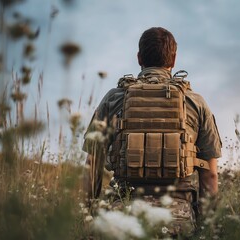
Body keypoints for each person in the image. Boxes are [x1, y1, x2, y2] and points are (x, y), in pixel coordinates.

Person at [82, 27, 222, 236]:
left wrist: (90, 216)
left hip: (123, 219)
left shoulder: (113, 98)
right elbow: (209, 176)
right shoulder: (196, 102)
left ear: (139, 58)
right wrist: (206, 227)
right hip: (178, 220)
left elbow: (93, 165)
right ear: (173, 60)